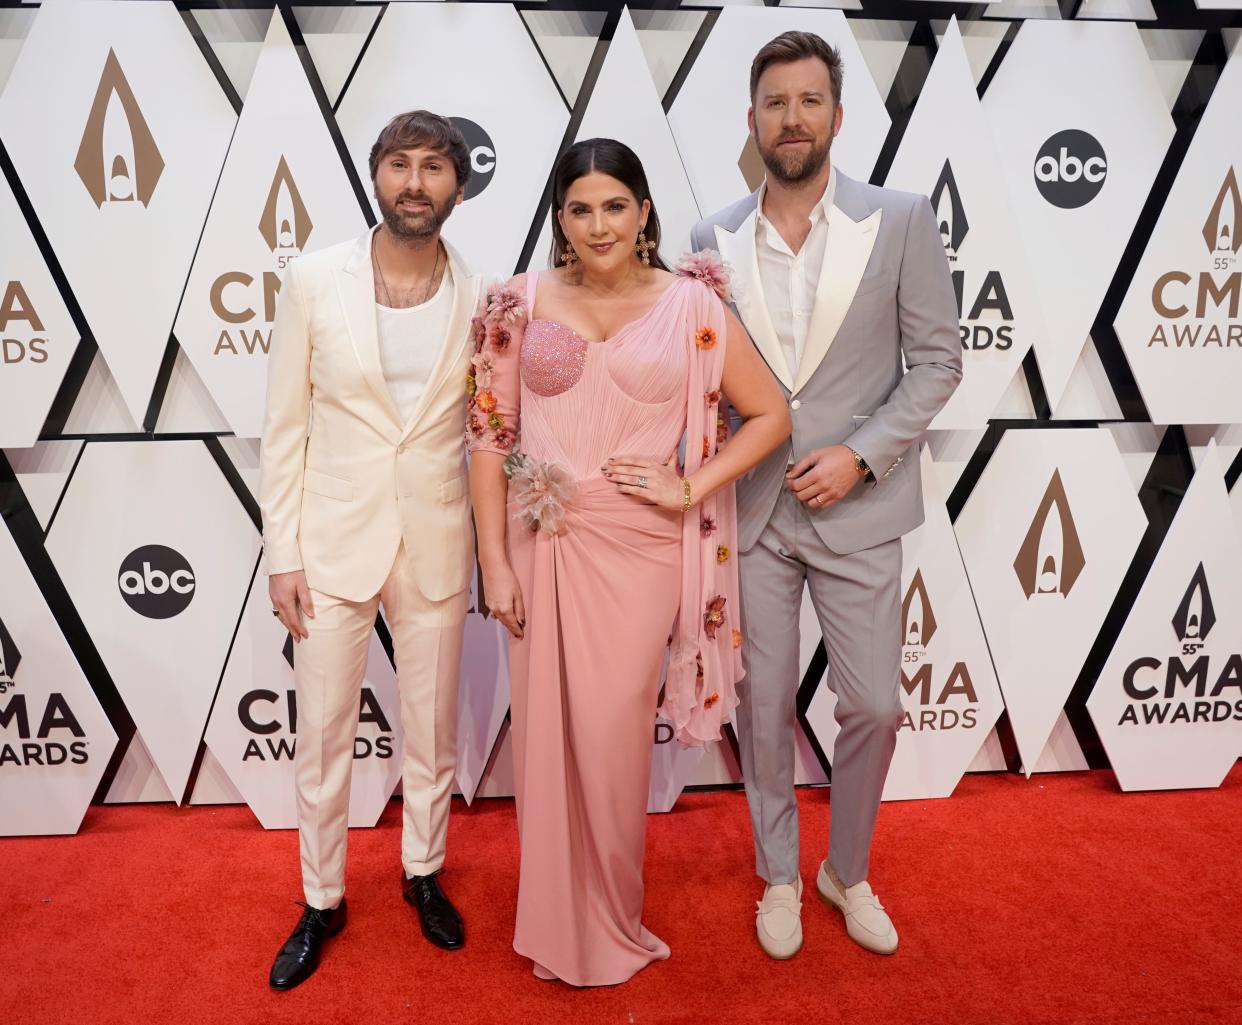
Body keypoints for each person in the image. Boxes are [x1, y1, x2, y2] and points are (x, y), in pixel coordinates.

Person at [467, 138, 790, 987]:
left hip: (641, 548)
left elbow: (770, 417)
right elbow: (488, 434)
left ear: (644, 212)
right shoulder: (515, 299)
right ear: (560, 220)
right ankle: (555, 920)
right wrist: (493, 560)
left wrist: (692, 484)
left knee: (610, 739)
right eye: (579, 209)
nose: (598, 224)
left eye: (615, 205)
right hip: (542, 543)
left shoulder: (692, 305)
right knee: (544, 739)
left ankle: (611, 913)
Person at [691, 32, 961, 960]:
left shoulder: (901, 219)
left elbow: (936, 363)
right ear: (753, 120)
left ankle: (846, 869)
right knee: (762, 704)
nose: (792, 119)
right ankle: (778, 874)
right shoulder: (709, 239)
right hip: (756, 514)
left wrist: (863, 453)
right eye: (775, 103)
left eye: (809, 101)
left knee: (875, 705)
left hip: (859, 507)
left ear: (838, 117)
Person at [260, 110, 482, 990]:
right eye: (400, 164)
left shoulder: (485, 292)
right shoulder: (314, 281)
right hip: (329, 542)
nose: (415, 182)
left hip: (432, 537)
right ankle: (321, 896)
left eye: (434, 167)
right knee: (322, 736)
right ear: (376, 175)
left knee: (430, 731)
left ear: (458, 186)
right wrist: (284, 552)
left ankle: (423, 870)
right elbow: (282, 430)